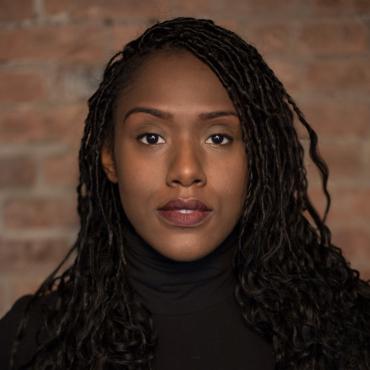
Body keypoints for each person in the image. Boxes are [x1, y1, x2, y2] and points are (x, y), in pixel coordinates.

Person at [0, 16, 369, 370]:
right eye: (151, 137)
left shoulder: (349, 330)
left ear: (257, 158)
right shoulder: (29, 341)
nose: (186, 171)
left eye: (218, 137)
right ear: (109, 157)